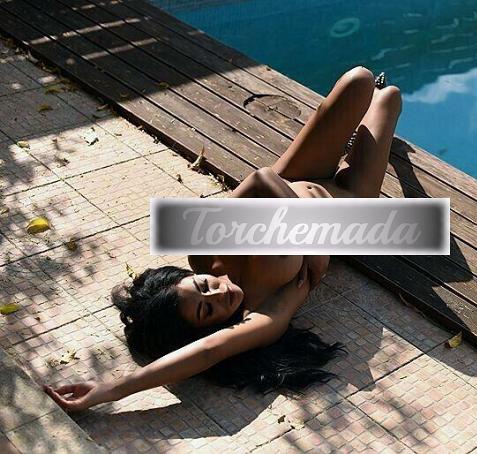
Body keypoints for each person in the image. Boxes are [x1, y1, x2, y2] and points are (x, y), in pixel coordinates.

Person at [44, 66, 402, 411]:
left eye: (202, 286)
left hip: (297, 175)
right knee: (388, 97)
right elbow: (207, 352)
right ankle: (373, 122)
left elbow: (261, 178)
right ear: (210, 327)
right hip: (349, 208)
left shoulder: (204, 251)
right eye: (208, 310)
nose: (218, 294)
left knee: (358, 80)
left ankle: (360, 124)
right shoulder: (261, 313)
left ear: (190, 275)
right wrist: (111, 390)